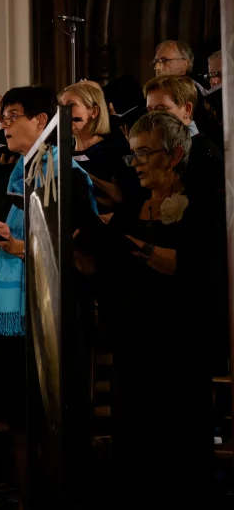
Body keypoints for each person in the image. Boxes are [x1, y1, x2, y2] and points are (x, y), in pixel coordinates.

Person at [0, 86, 97, 507]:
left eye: (12, 116)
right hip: (10, 315)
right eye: (2, 117)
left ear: (41, 120)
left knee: (49, 415)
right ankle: (26, 497)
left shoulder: (67, 174)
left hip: (52, 315)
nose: (4, 125)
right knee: (16, 415)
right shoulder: (10, 176)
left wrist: (23, 248)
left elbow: (83, 252)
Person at [99, 111, 222, 506]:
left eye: (143, 153)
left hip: (178, 344)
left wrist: (134, 245)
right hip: (131, 342)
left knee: (176, 447)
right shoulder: (131, 206)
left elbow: (190, 267)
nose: (134, 163)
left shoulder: (203, 205)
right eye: (132, 154)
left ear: (174, 155)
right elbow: (104, 267)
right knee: (132, 444)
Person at [143, 75, 224, 194]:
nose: (152, 117)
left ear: (187, 109)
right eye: (150, 110)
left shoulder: (204, 151)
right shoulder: (157, 146)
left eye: (161, 109)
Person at [60, 81, 128, 211]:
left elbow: (120, 198)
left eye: (71, 105)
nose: (63, 112)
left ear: (94, 112)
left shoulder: (111, 151)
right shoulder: (62, 152)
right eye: (62, 106)